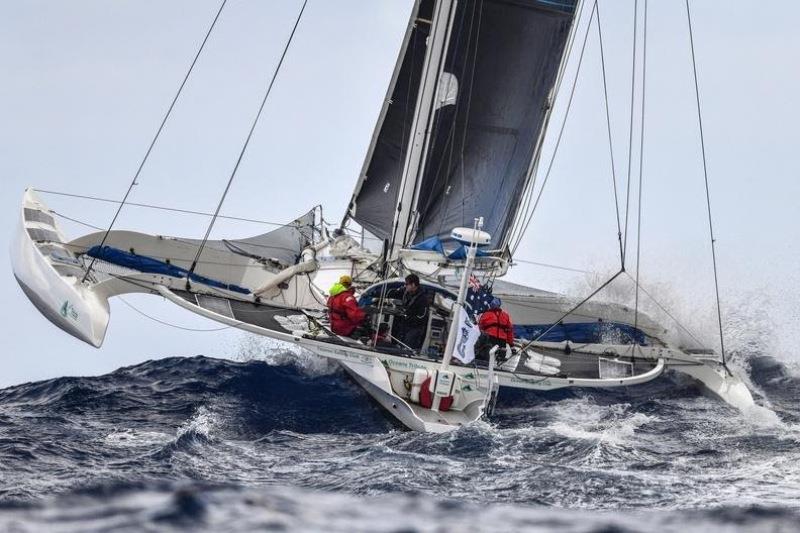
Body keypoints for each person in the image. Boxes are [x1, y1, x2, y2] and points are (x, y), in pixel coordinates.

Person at [389, 274, 429, 351]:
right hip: (405, 324)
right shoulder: (406, 292)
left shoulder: (423, 299)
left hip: (414, 328)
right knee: (399, 344)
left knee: (407, 347)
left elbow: (422, 316)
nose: (405, 286)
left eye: (407, 284)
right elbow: (394, 294)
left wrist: (408, 316)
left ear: (413, 284)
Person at [476, 297, 514, 362]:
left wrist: (512, 346)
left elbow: (479, 328)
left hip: (494, 340)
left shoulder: (485, 314)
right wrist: (512, 346)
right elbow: (509, 331)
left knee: (491, 356)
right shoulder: (505, 315)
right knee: (491, 356)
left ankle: (489, 363)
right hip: (494, 339)